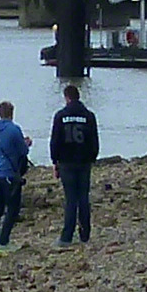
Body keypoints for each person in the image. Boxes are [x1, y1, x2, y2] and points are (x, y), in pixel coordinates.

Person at [48, 78, 101, 245]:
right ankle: (85, 233)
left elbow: (55, 141)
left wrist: (55, 161)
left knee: (71, 199)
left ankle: (67, 236)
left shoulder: (60, 116)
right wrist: (92, 157)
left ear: (67, 98)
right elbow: (94, 140)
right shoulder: (89, 116)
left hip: (66, 162)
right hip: (84, 162)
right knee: (83, 197)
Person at [0, 100, 32, 249]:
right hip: (8, 173)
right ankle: (3, 242)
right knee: (12, 208)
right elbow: (22, 151)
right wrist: (27, 143)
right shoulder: (14, 129)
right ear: (12, 113)